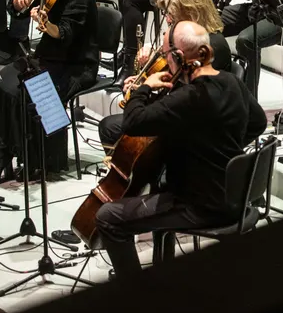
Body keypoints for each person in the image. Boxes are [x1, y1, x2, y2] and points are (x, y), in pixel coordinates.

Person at [94, 20, 266, 279]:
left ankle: (133, 298)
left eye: (165, 55)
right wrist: (219, 147)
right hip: (236, 196)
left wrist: (143, 88)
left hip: (200, 206)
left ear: (177, 56)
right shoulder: (232, 82)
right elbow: (259, 123)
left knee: (108, 217)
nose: (164, 61)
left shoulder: (187, 99)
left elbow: (132, 122)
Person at [0, 0, 99, 185]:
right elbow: (21, 13)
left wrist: (47, 26)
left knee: (29, 91)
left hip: (76, 64)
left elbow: (67, 34)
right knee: (1, 83)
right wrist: (18, 1)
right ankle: (0, 157)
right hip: (48, 58)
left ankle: (38, 160)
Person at [98, 0, 234, 150]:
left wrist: (144, 93)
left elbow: (182, 95)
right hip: (184, 113)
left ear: (191, 13)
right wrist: (146, 83)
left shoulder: (209, 48)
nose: (168, 19)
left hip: (193, 125)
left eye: (172, 15)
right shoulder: (195, 40)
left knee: (111, 127)